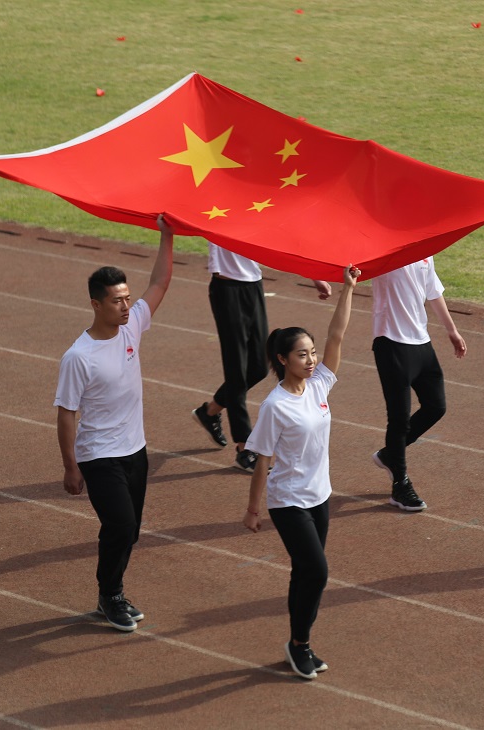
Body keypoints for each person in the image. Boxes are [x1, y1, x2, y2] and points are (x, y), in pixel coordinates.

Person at [54, 216, 174, 632]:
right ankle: (110, 594)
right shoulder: (78, 357)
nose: (126, 306)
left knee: (130, 530)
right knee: (120, 525)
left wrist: (167, 235)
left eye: (127, 299)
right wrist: (70, 467)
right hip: (98, 455)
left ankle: (113, 591)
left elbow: (159, 282)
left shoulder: (132, 328)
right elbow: (66, 413)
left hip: (135, 451)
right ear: (96, 304)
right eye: (117, 301)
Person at [242, 264, 360, 680]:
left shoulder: (319, 384)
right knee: (318, 571)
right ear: (282, 360)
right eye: (302, 355)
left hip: (320, 496)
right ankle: (299, 644)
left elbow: (337, 336)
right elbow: (262, 460)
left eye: (311, 353)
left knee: (306, 574)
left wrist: (348, 288)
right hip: (289, 501)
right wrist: (253, 509)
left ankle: (299, 644)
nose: (311, 360)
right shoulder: (275, 406)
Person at [191, 243, 332, 473]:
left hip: (253, 284)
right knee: (236, 371)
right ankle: (244, 448)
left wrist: (313, 275)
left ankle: (210, 412)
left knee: (258, 367)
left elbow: (281, 240)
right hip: (226, 288)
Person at [368, 257, 467, 511]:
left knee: (436, 406)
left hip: (421, 342)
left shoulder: (425, 253)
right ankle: (400, 485)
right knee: (399, 418)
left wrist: (452, 330)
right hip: (391, 342)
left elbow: (433, 290)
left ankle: (390, 454)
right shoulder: (385, 251)